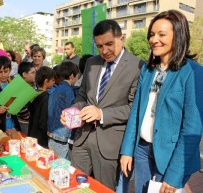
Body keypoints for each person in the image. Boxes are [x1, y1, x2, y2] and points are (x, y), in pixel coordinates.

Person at [120, 10, 203, 193]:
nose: (154, 39)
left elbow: (192, 128)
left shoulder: (193, 72)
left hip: (171, 155)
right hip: (142, 150)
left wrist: (175, 175)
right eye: (152, 34)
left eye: (162, 34)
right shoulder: (148, 70)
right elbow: (136, 112)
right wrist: (127, 150)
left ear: (179, 35)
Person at [60, 19, 144, 191]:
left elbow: (134, 108)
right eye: (99, 46)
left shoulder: (138, 66)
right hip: (82, 137)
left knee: (103, 189)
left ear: (122, 38)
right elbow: (83, 94)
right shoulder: (92, 63)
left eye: (109, 44)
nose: (105, 51)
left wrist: (102, 114)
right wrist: (73, 110)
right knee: (74, 185)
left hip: (110, 143)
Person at [48, 61, 79, 158]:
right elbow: (72, 113)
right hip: (61, 136)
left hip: (51, 133)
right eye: (77, 76)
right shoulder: (68, 90)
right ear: (72, 76)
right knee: (61, 168)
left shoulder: (55, 88)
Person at [28, 66, 55, 148]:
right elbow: (43, 121)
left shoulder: (33, 94)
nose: (54, 82)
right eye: (53, 80)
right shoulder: (46, 97)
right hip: (41, 138)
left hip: (32, 132)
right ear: (46, 81)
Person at [17, 62, 36, 135]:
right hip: (24, 122)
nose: (35, 75)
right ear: (24, 74)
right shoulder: (19, 88)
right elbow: (20, 107)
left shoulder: (34, 85)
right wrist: (30, 117)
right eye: (32, 73)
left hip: (31, 121)